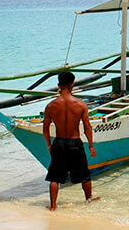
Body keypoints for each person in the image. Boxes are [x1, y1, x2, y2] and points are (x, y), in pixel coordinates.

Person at [42, 71, 98, 209]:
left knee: (55, 177)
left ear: (58, 85)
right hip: (75, 143)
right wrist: (91, 145)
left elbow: (45, 128)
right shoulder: (80, 104)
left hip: (59, 143)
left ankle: (53, 206)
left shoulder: (51, 106)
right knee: (84, 175)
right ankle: (89, 199)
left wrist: (49, 145)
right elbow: (87, 127)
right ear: (72, 85)